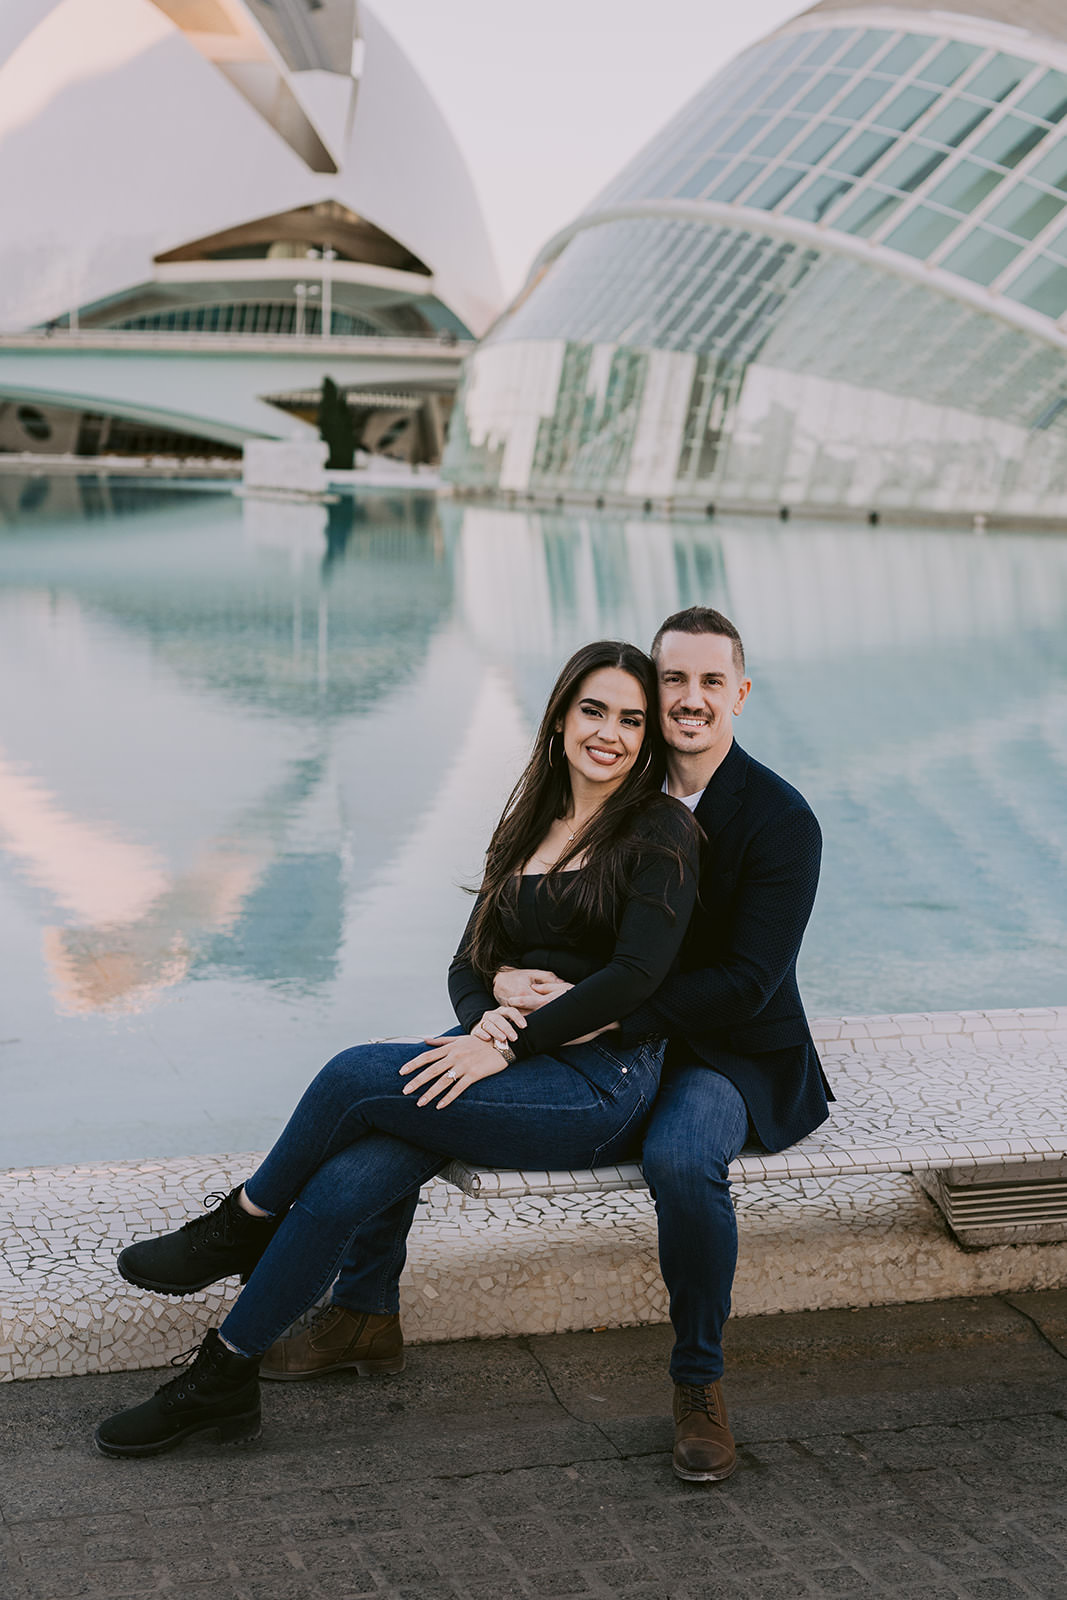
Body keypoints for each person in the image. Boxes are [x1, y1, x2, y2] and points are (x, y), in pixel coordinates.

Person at [265, 606, 830, 1486]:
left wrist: (600, 1013)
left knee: (684, 1163)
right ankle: (364, 1310)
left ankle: (699, 1383)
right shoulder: (612, 801)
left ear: (739, 694)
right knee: (431, 1076)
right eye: (670, 680)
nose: (688, 699)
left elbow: (745, 983)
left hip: (721, 1051)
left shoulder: (781, 819)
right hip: (590, 1034)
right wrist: (501, 994)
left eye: (709, 682)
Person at [95, 640, 700, 1458]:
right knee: (348, 1178)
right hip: (504, 1048)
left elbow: (634, 977)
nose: (612, 734)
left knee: (352, 1075)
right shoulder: (529, 819)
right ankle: (225, 1378)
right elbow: (467, 962)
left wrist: (507, 1040)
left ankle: (241, 1223)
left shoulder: (662, 829)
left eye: (632, 719)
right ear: (560, 716)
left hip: (598, 1085)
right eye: (594, 710)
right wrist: (490, 1006)